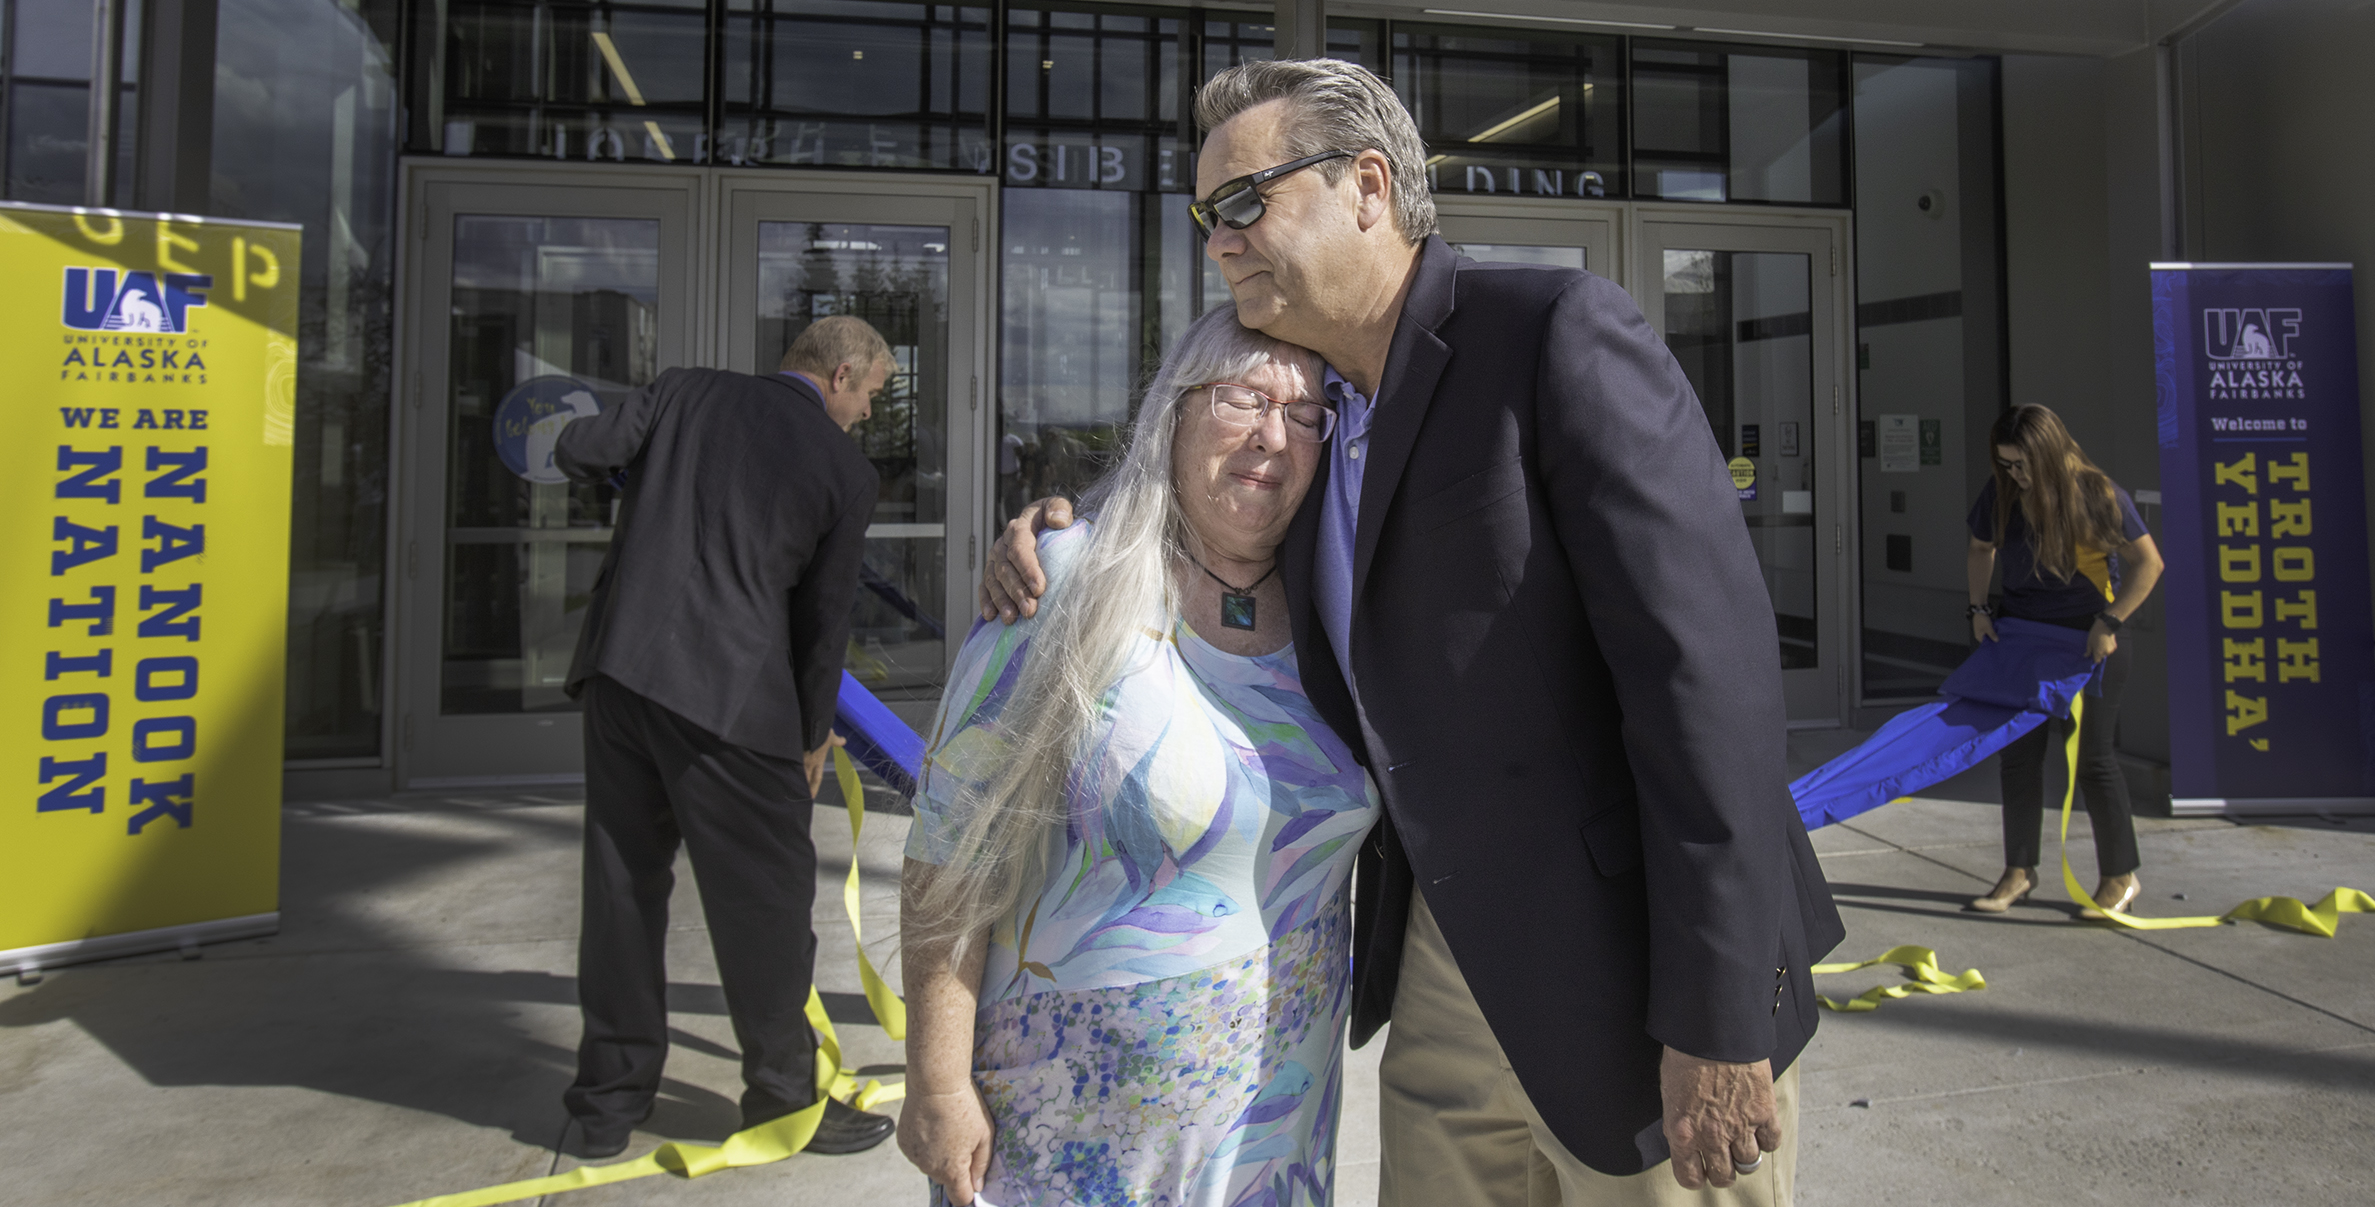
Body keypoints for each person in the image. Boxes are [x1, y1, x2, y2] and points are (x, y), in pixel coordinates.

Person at [982, 59, 1843, 1204]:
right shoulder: (1318, 407)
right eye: (1205, 216)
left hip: (1638, 978)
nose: (1218, 240)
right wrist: (1064, 532)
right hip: (1441, 974)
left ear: (1368, 187)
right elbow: (1206, 517)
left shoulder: (1551, 334)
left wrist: (1720, 1014)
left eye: (1242, 202)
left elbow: (1710, 683)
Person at [898, 305, 1378, 1206]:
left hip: (1273, 1143)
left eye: (1307, 414)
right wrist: (937, 1081)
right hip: (1065, 1142)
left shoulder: (1338, 611)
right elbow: (949, 851)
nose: (1273, 435)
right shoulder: (1069, 583)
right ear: (1176, 411)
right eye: (1243, 398)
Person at [551, 315, 900, 1161]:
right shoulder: (842, 470)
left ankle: (605, 1106)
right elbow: (822, 628)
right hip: (736, 709)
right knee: (768, 909)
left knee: (621, 890)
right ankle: (782, 1100)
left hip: (622, 677)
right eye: (872, 397)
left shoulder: (683, 390)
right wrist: (813, 737)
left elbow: (576, 448)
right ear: (842, 374)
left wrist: (644, 473)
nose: (866, 416)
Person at [1963, 404, 2165, 919]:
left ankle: (2120, 877)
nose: (2016, 474)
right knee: (2019, 757)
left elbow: (2149, 564)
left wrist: (2110, 622)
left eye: (2024, 464)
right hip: (2023, 638)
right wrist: (1980, 610)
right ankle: (2019, 872)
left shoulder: (2097, 494)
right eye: (2007, 464)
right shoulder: (2003, 493)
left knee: (2094, 761)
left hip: (2090, 641)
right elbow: (1980, 549)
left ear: (2050, 453)